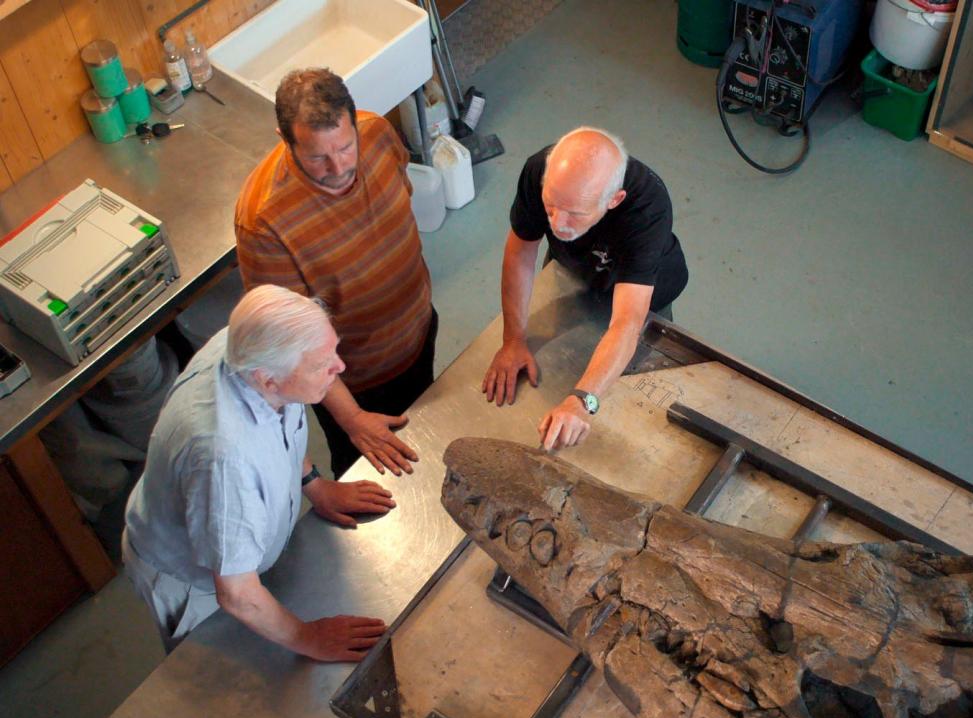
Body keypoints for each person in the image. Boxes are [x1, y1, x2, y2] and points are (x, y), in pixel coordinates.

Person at [122, 285, 395, 659]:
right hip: (195, 581)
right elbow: (235, 593)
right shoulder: (225, 458)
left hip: (233, 549)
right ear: (267, 379)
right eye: (322, 364)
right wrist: (308, 638)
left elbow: (278, 429)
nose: (340, 367)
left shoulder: (249, 348)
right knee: (220, 670)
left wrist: (313, 485)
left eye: (333, 349)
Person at [235, 68, 435, 478]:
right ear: (285, 140)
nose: (339, 166)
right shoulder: (264, 220)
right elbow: (290, 341)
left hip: (419, 332)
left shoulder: (377, 132)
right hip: (355, 382)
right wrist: (353, 419)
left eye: (345, 147)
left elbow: (402, 196)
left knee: (429, 437)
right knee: (373, 473)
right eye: (317, 157)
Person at [482, 127, 689, 450]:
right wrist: (512, 340)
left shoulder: (648, 207)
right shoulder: (540, 170)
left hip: (641, 288)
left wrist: (583, 401)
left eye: (575, 213)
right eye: (551, 206)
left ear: (614, 200)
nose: (558, 224)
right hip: (574, 269)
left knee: (631, 384)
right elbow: (521, 250)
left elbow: (626, 323)